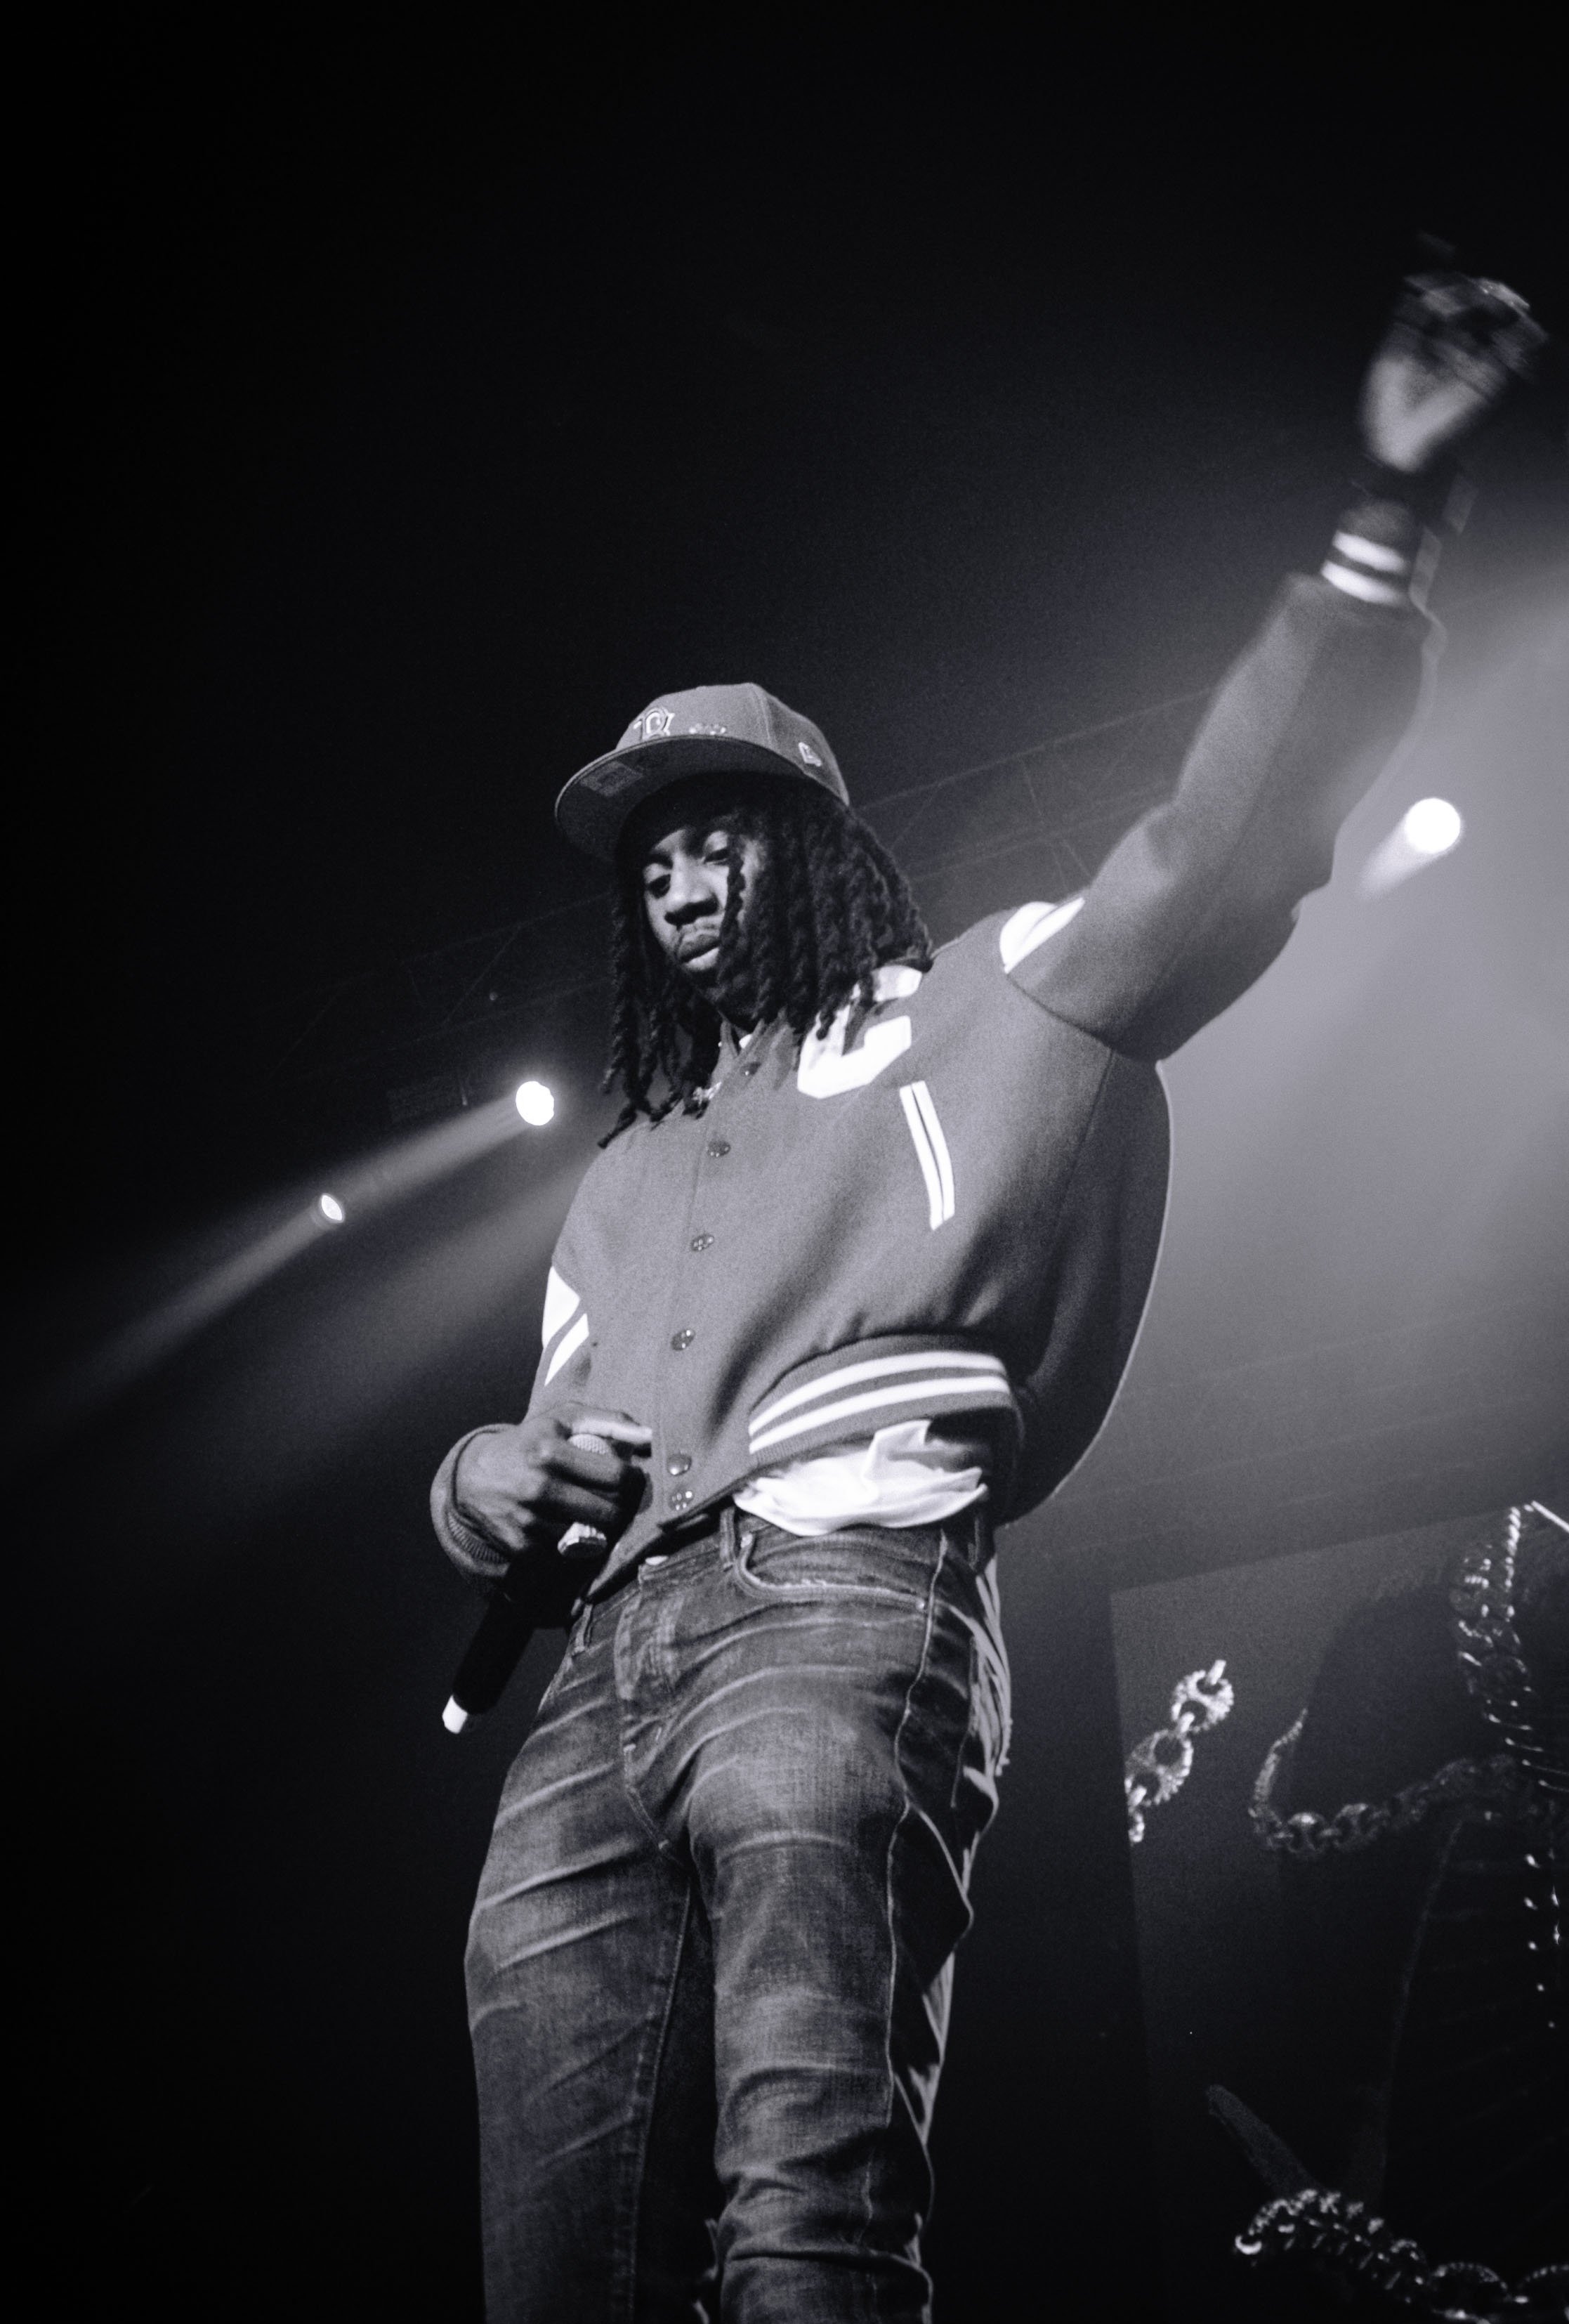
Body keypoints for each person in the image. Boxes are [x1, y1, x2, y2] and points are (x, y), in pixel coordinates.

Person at [429, 273, 1542, 2321]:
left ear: (813, 847)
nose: (676, 885)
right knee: (550, 2265)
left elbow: (1223, 847)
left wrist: (1384, 521)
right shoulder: (618, 1177)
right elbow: (551, 1441)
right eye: (649, 865)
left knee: (804, 2213)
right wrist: (480, 1477)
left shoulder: (984, 1002)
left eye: (716, 839)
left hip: (838, 1597)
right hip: (601, 1673)